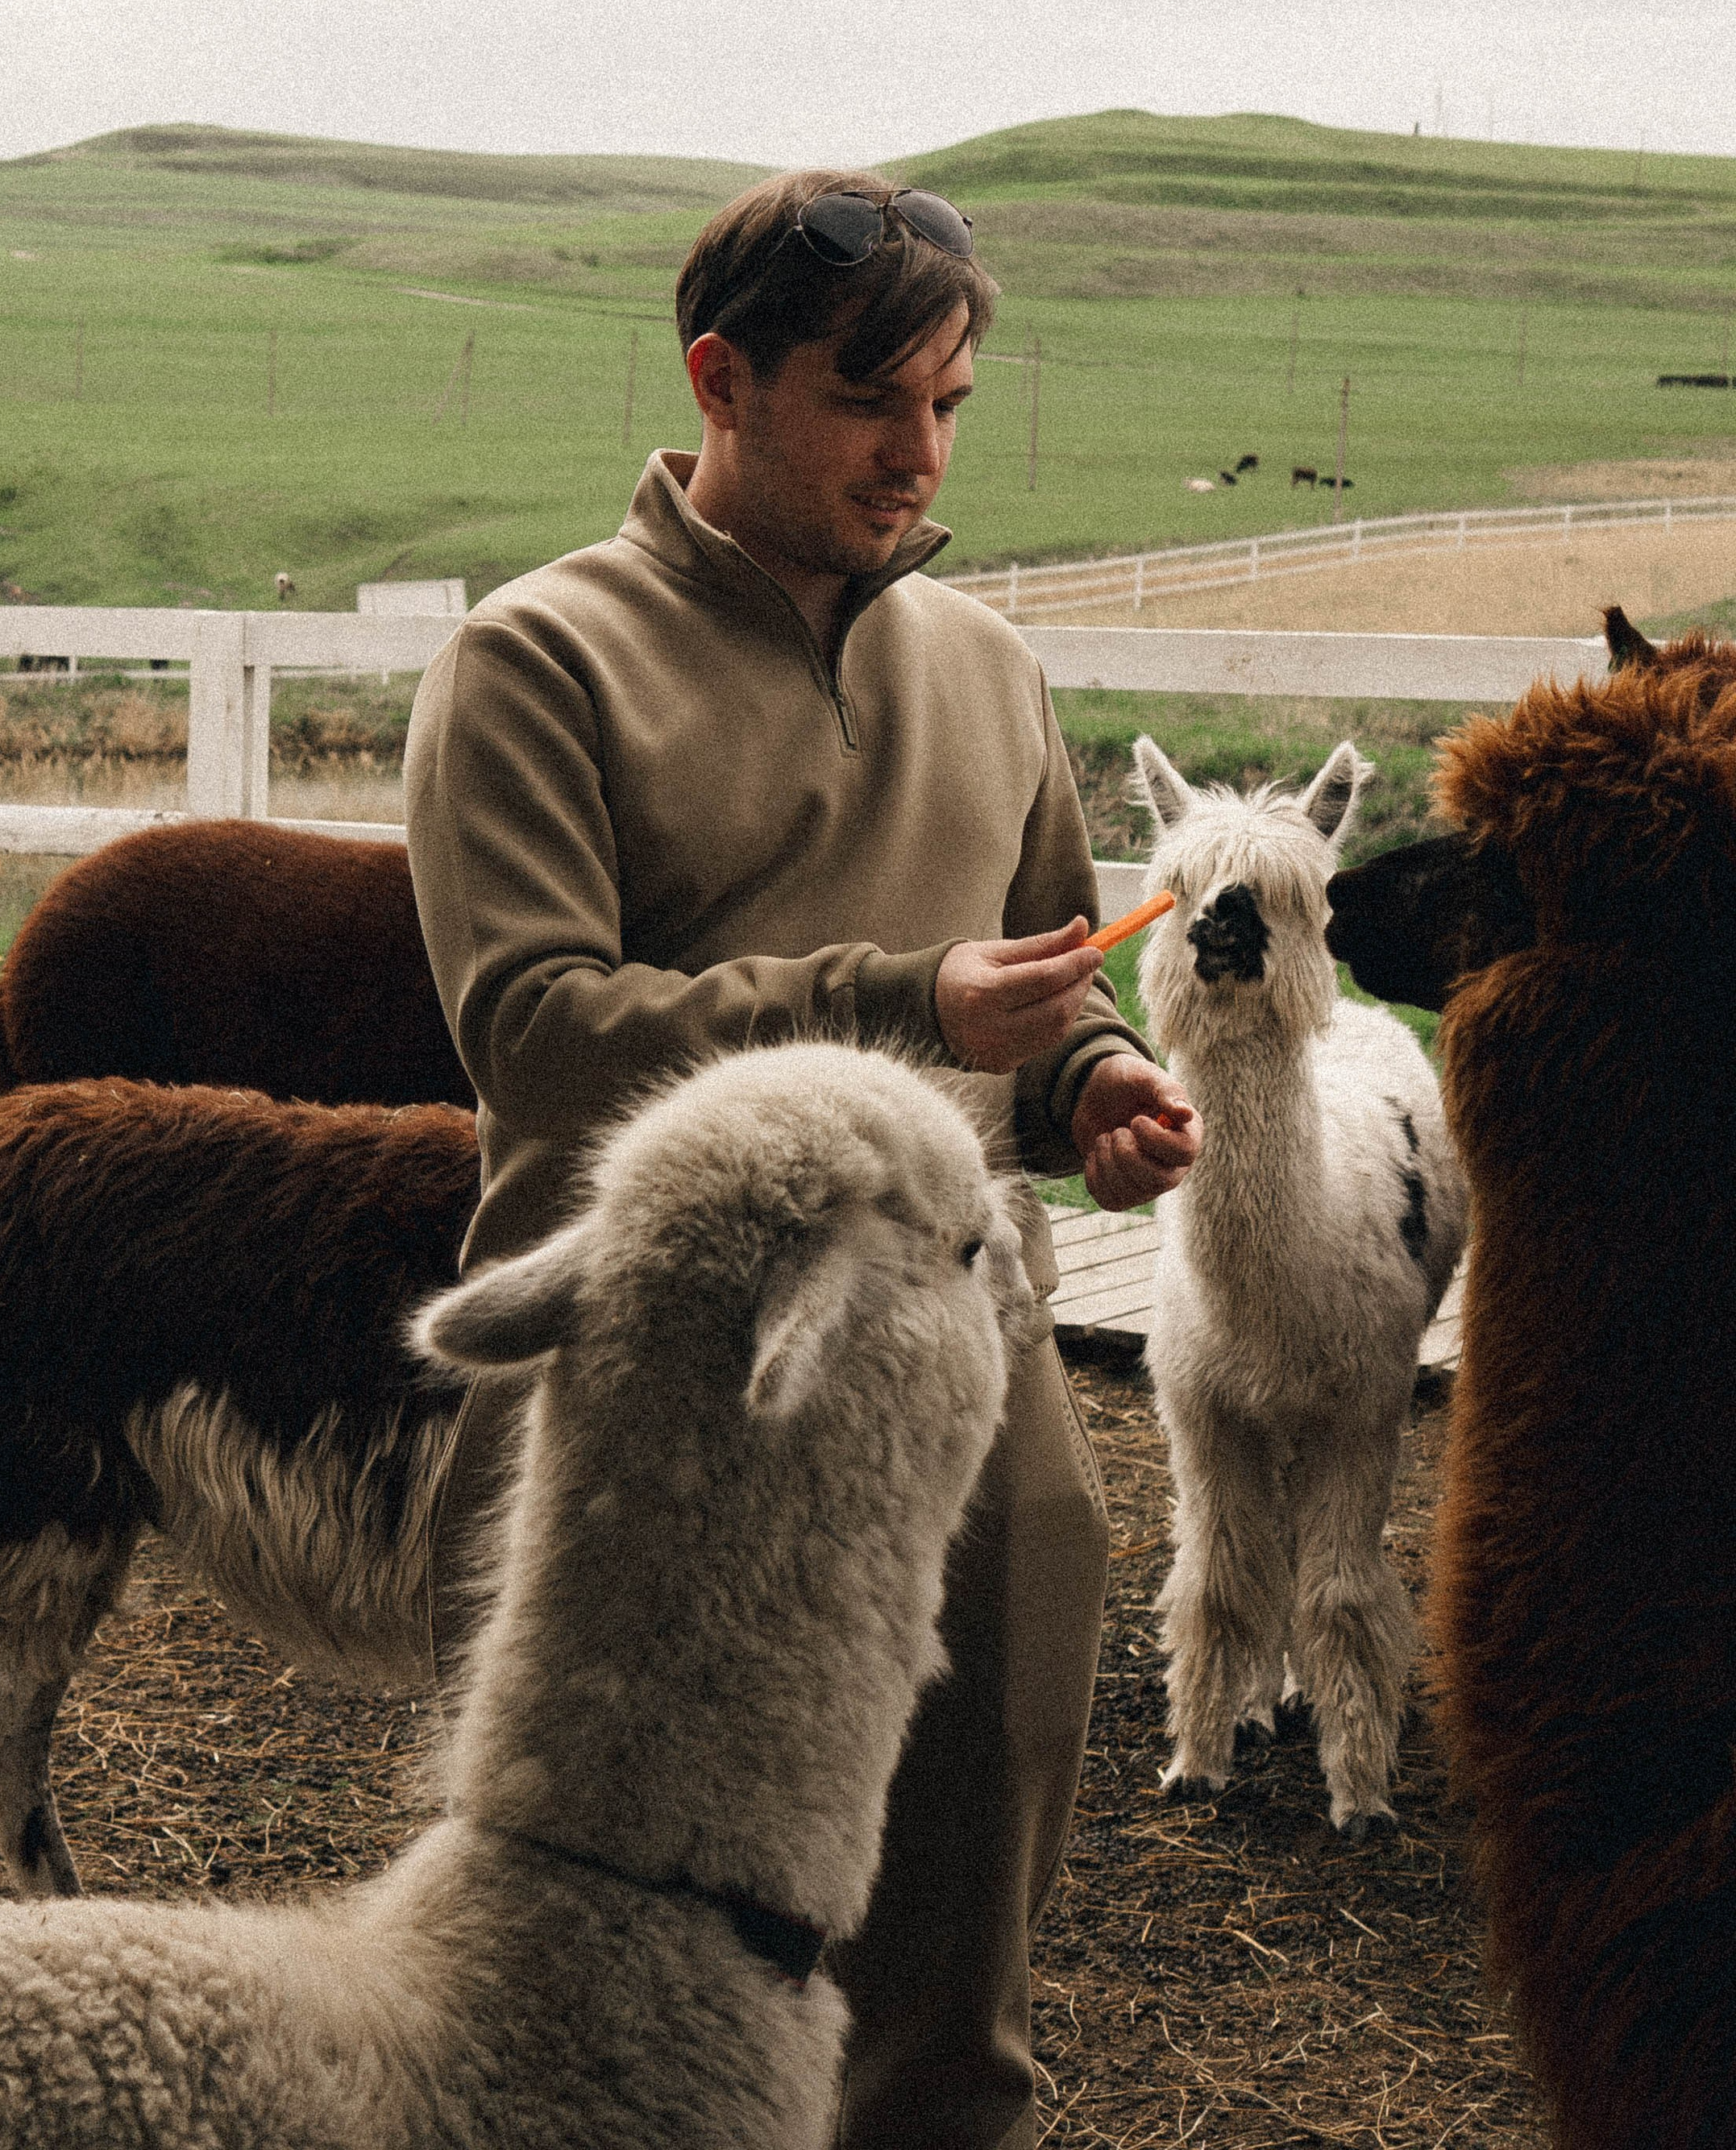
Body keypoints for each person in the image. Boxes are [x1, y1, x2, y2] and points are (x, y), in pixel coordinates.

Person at [405, 168, 1201, 2150]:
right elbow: (537, 1039)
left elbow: (1041, 978)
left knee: (976, 1818)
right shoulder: (532, 663)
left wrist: (1087, 1080)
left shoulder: (993, 669)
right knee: (607, 1942)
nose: (917, 455)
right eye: (870, 404)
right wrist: (902, 1001)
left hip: (953, 1337)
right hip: (642, 1364)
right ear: (720, 381)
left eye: (945, 404)